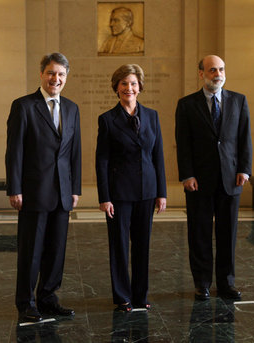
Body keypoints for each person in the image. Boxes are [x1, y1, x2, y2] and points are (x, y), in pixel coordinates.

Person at [5, 52, 82, 322]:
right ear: (41, 74)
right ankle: (25, 303)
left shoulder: (72, 108)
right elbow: (14, 152)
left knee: (56, 250)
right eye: (51, 73)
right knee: (31, 251)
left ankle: (48, 297)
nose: (56, 79)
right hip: (33, 191)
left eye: (61, 74)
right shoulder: (24, 106)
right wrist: (15, 188)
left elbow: (75, 152)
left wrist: (75, 189)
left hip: (62, 193)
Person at [175, 55, 252, 301]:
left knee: (227, 234)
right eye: (211, 70)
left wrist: (244, 169)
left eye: (220, 69)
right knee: (199, 233)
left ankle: (226, 283)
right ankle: (202, 283)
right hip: (199, 181)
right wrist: (187, 174)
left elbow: (244, 138)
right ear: (201, 74)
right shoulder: (186, 104)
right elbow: (183, 143)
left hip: (231, 179)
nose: (217, 74)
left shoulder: (239, 101)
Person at [96, 64, 167, 313]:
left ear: (140, 87)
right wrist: (104, 197)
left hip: (147, 191)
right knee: (119, 246)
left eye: (133, 83)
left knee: (142, 246)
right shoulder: (107, 120)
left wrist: (162, 192)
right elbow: (101, 160)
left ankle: (140, 295)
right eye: (124, 83)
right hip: (119, 194)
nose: (129, 88)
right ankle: (122, 296)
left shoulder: (152, 116)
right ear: (116, 87)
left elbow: (158, 156)